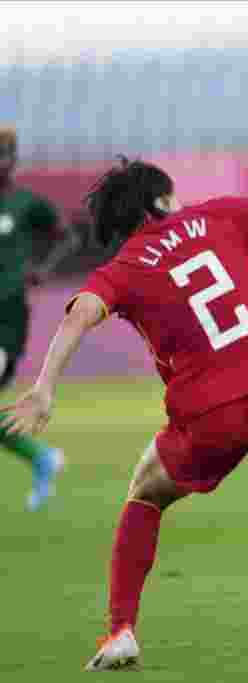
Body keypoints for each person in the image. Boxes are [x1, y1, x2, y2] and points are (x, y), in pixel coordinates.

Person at [1, 158, 248, 670]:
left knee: (145, 493)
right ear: (160, 203)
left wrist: (43, 388)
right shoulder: (217, 217)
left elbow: (81, 312)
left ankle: (121, 631)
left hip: (207, 416)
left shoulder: (121, 268)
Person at [0, 126, 81, 510]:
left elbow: (68, 237)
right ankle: (42, 458)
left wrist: (43, 268)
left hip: (8, 317)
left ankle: (41, 458)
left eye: (5, 155)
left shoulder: (27, 203)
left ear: (12, 160)